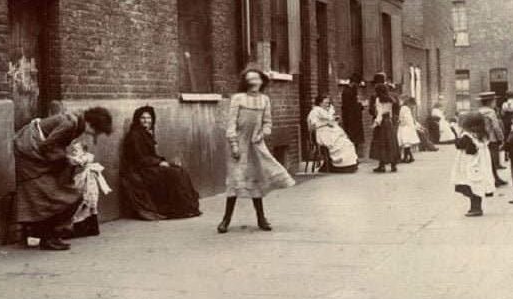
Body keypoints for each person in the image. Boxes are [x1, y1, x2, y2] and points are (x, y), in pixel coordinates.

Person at [13, 107, 113, 251]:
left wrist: (67, 159)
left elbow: (53, 146)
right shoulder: (70, 124)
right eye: (96, 131)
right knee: (54, 196)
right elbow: (47, 145)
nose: (94, 135)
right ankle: (49, 237)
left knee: (47, 196)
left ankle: (47, 236)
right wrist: (68, 159)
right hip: (31, 157)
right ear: (91, 124)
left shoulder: (76, 122)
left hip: (33, 155)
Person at [218, 66, 295, 234]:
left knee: (256, 179)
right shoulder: (238, 98)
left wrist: (262, 134)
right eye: (250, 79)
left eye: (256, 79)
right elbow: (231, 124)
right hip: (238, 143)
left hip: (256, 143)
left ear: (262, 81)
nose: (253, 82)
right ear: (245, 82)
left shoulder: (265, 100)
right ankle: (226, 220)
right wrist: (234, 144)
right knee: (235, 179)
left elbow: (267, 123)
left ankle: (261, 218)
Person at [120, 106, 201, 221]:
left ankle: (188, 207)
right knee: (173, 174)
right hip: (140, 169)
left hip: (149, 165)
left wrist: (162, 161)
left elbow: (150, 155)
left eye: (149, 118)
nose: (146, 120)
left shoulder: (145, 133)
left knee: (180, 170)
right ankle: (177, 209)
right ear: (137, 119)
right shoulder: (134, 135)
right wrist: (159, 162)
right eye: (143, 118)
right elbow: (139, 158)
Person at [451, 111, 494, 217]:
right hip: (481, 164)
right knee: (477, 185)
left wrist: (458, 136)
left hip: (470, 164)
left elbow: (461, 146)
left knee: (470, 184)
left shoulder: (467, 136)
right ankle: (476, 207)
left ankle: (476, 208)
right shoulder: (483, 135)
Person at [307, 95, 358, 173]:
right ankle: (338, 166)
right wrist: (326, 123)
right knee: (339, 144)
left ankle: (348, 165)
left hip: (329, 132)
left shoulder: (325, 111)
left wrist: (333, 121)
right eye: (325, 103)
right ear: (320, 103)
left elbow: (329, 120)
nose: (327, 105)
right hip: (322, 133)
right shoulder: (315, 111)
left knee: (347, 143)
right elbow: (313, 126)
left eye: (328, 103)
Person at [478, 92, 507, 187]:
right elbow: (496, 126)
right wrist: (501, 138)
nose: (495, 103)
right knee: (493, 160)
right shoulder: (491, 112)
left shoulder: (479, 111)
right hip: (492, 138)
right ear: (490, 102)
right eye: (494, 101)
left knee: (487, 160)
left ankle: (495, 178)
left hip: (483, 138)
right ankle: (494, 180)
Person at [370, 83, 400, 173]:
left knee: (381, 144)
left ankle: (382, 165)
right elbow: (390, 112)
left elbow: (380, 113)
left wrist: (375, 123)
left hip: (382, 124)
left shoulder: (378, 99)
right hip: (389, 123)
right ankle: (393, 165)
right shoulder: (391, 99)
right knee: (391, 143)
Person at [341, 73, 365, 155]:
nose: (357, 86)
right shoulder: (348, 92)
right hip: (351, 118)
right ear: (354, 83)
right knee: (352, 137)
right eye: (357, 84)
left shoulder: (350, 90)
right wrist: (360, 105)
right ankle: (352, 155)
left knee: (354, 138)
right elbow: (349, 106)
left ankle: (354, 155)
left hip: (354, 118)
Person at [397, 96, 420, 163]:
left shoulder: (405, 108)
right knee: (406, 143)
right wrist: (411, 126)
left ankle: (408, 157)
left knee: (406, 143)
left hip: (406, 127)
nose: (412, 107)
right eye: (412, 105)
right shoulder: (405, 108)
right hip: (405, 127)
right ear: (409, 103)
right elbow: (406, 119)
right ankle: (407, 157)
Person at [501, 91, 513, 160]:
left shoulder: (504, 104)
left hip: (507, 121)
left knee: (507, 137)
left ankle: (506, 154)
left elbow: (502, 114)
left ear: (506, 96)